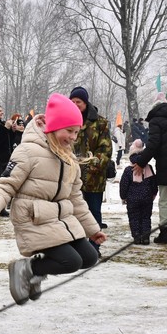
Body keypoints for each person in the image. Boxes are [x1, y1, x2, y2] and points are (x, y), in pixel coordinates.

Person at [0, 93, 107, 304]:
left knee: (90, 257)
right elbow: (6, 184)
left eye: (76, 132)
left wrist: (92, 229)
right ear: (54, 127)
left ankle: (34, 272)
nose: (73, 137)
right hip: (34, 218)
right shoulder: (28, 151)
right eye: (69, 131)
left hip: (59, 219)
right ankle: (26, 269)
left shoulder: (68, 158)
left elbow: (76, 198)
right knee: (71, 261)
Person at [131, 95, 167, 244]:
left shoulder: (155, 121)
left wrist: (141, 162)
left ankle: (164, 234)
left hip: (165, 165)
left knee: (165, 200)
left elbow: (153, 144)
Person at [68, 87, 112, 231]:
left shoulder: (100, 123)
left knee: (93, 212)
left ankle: (94, 242)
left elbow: (105, 150)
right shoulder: (66, 121)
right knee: (72, 213)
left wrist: (90, 167)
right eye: (72, 101)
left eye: (78, 102)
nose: (75, 105)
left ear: (85, 103)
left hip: (94, 177)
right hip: (70, 176)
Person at [120, 139, 158, 244]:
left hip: (132, 198)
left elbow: (124, 184)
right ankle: (145, 237)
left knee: (134, 218)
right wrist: (154, 193)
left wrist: (123, 196)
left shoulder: (128, 170)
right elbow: (153, 182)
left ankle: (136, 236)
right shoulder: (149, 168)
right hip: (147, 197)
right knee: (146, 217)